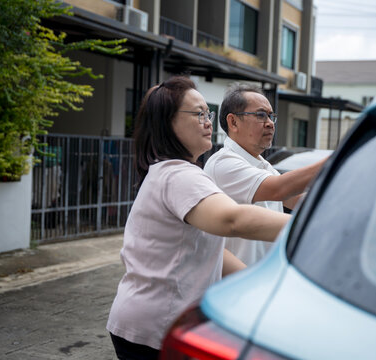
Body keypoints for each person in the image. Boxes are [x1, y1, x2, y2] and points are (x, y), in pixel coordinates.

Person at [106, 76, 290, 360]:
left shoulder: (178, 172)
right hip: (155, 326)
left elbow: (213, 249)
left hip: (146, 322)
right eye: (199, 114)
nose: (207, 122)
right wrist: (313, 229)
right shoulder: (178, 174)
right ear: (167, 122)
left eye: (208, 113)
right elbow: (233, 220)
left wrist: (257, 285)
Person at [204, 83, 326, 265]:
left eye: (271, 116)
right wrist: (337, 159)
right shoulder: (223, 163)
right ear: (233, 122)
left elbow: (298, 199)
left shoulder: (261, 164)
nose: (269, 123)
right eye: (261, 115)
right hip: (235, 284)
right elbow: (279, 189)